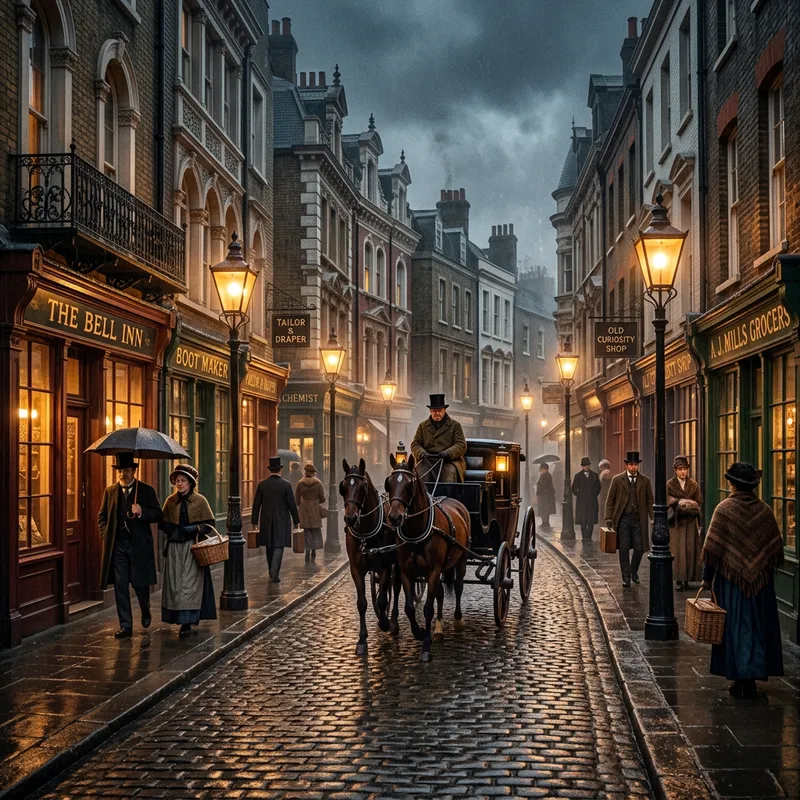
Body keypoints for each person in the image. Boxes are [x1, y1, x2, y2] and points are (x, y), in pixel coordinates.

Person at [701, 462, 784, 699]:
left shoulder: (724, 510)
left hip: (731, 583)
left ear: (734, 484)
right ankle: (753, 677)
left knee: (735, 628)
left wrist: (707, 579)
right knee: (757, 626)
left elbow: (713, 550)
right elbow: (774, 549)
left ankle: (739, 678)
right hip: (760, 584)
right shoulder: (764, 510)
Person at [98, 453, 162, 639]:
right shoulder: (110, 492)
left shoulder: (146, 490)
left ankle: (145, 609)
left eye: (126, 470)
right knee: (120, 585)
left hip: (139, 546)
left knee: (140, 583)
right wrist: (106, 534)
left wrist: (142, 511)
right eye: (120, 471)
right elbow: (101, 517)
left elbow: (158, 514)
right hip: (118, 546)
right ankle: (125, 625)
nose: (122, 474)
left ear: (134, 471)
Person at [160, 464, 217, 638]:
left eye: (183, 480)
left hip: (192, 547)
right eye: (177, 481)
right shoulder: (170, 501)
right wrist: (172, 529)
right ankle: (176, 616)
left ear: (191, 483)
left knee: (189, 584)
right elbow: (162, 523)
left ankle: (187, 622)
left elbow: (209, 524)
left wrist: (195, 529)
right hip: (174, 548)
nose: (180, 484)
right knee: (175, 584)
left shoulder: (200, 501)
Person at [605, 451, 654, 588]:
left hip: (638, 519)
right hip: (623, 519)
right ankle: (626, 577)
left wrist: (652, 517)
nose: (633, 467)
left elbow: (650, 500)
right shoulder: (617, 480)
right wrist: (608, 518)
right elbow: (610, 500)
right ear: (626, 465)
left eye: (636, 465)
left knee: (640, 548)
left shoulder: (645, 481)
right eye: (631, 465)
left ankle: (633, 571)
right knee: (624, 549)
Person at [252, 456, 300, 582]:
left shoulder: (262, 485)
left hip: (266, 520)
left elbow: (256, 505)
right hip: (282, 519)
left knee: (269, 545)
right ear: (280, 470)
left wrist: (254, 522)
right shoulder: (286, 485)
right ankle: (274, 573)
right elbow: (292, 504)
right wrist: (296, 521)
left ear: (270, 470)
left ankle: (271, 570)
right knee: (279, 545)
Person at [411, 393, 467, 482]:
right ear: (430, 411)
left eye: (440, 410)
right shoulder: (422, 426)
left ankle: (448, 495)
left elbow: (461, 445)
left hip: (449, 462)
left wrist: (447, 453)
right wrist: (422, 453)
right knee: (419, 473)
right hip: (427, 461)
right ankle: (420, 495)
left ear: (444, 410)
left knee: (448, 472)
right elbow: (415, 444)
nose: (437, 413)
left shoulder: (455, 426)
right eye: (434, 411)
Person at [668, 455, 703, 591]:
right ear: (675, 470)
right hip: (677, 522)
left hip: (690, 521)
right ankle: (679, 579)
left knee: (690, 550)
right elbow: (667, 500)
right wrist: (677, 503)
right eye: (680, 469)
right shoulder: (670, 484)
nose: (683, 472)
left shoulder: (693, 484)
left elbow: (698, 501)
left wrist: (690, 505)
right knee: (677, 551)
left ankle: (689, 578)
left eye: (685, 469)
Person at [295, 463, 325, 563]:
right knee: (315, 531)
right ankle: (313, 550)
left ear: (305, 472)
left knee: (306, 530)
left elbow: (297, 499)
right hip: (315, 508)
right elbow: (322, 498)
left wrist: (302, 503)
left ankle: (307, 550)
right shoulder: (318, 483)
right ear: (313, 472)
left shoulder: (300, 483)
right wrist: (316, 501)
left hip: (304, 509)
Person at [572, 457, 601, 541]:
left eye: (587, 465)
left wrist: (594, 495)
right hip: (582, 502)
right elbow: (573, 488)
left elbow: (598, 487)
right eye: (584, 466)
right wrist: (579, 495)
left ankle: (589, 536)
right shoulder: (578, 476)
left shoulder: (594, 475)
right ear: (582, 466)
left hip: (592, 501)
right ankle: (584, 537)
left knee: (591, 519)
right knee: (583, 519)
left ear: (589, 465)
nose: (586, 467)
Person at [536, 463, 556, 530]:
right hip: (544, 495)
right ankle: (544, 522)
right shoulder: (544, 475)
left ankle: (545, 522)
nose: (540, 470)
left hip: (545, 495)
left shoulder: (546, 475)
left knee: (545, 509)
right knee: (543, 509)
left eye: (541, 468)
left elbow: (544, 485)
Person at [598, 459, 613, 523]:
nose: (600, 469)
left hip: (604, 495)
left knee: (604, 511)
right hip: (606, 494)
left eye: (601, 467)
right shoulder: (608, 473)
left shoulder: (605, 473)